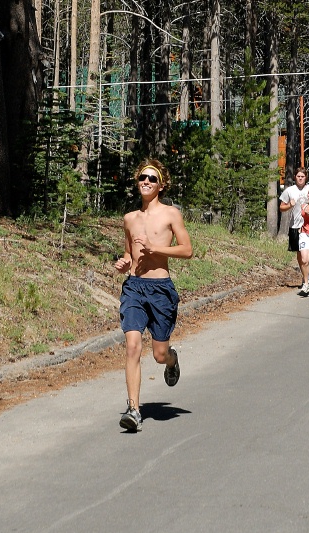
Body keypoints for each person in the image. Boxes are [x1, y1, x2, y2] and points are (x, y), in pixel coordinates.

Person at [114, 159, 193, 432]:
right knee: (133, 345)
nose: (145, 182)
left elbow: (186, 250)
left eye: (151, 178)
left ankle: (172, 360)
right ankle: (134, 409)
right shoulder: (129, 219)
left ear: (161, 184)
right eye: (141, 178)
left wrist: (155, 250)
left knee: (158, 354)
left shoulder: (171, 215)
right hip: (134, 287)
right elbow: (128, 252)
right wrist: (125, 262)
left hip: (160, 289)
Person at [279, 168, 309, 290]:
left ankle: (307, 276)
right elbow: (281, 207)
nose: (300, 178)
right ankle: (306, 275)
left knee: (306, 253)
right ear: (295, 177)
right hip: (295, 226)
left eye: (302, 176)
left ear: (306, 178)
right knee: (299, 253)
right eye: (298, 176)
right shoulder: (289, 191)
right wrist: (289, 205)